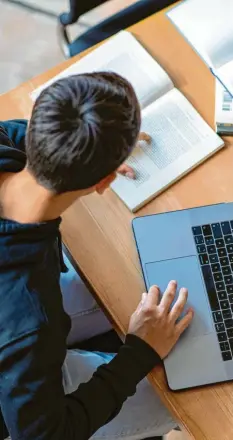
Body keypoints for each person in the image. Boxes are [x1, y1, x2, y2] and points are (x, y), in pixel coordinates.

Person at [0, 72, 193, 440]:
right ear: (104, 183)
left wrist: (75, 151)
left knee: (136, 282)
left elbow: (11, 133)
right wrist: (139, 351)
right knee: (173, 393)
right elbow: (45, 434)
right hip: (18, 408)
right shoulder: (30, 321)